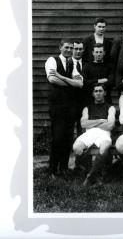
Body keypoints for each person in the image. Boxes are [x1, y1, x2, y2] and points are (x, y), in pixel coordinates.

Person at [45, 38, 83, 178]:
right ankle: (52, 170)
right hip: (57, 105)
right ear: (60, 47)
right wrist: (70, 83)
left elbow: (79, 84)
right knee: (57, 137)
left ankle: (64, 168)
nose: (69, 50)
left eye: (71, 48)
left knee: (67, 138)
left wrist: (64, 78)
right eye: (66, 47)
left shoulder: (72, 63)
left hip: (70, 106)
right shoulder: (52, 60)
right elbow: (52, 79)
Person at [72, 83, 116, 185]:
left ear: (105, 93)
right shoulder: (87, 108)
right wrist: (101, 120)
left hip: (104, 133)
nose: (98, 93)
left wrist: (91, 123)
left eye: (100, 91)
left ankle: (90, 175)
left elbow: (110, 125)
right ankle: (93, 173)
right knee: (76, 147)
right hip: (89, 133)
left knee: (104, 147)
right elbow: (83, 124)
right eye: (96, 91)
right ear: (92, 94)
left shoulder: (110, 108)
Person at [71, 40, 86, 136]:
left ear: (83, 50)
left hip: (84, 97)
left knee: (83, 123)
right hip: (71, 97)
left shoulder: (87, 63)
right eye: (76, 49)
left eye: (80, 49)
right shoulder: (67, 63)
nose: (78, 51)